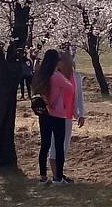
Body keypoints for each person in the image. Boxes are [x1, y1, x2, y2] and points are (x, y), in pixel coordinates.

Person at [32, 48, 73, 185]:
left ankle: (43, 176)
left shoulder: (41, 75)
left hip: (44, 113)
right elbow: (70, 88)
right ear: (56, 61)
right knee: (59, 145)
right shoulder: (56, 76)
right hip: (57, 114)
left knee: (45, 144)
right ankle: (58, 177)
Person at [49, 53, 86, 183]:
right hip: (55, 116)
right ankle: (56, 176)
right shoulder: (54, 76)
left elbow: (79, 97)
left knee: (64, 146)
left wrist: (81, 114)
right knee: (55, 146)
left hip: (68, 116)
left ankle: (60, 174)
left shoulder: (76, 77)